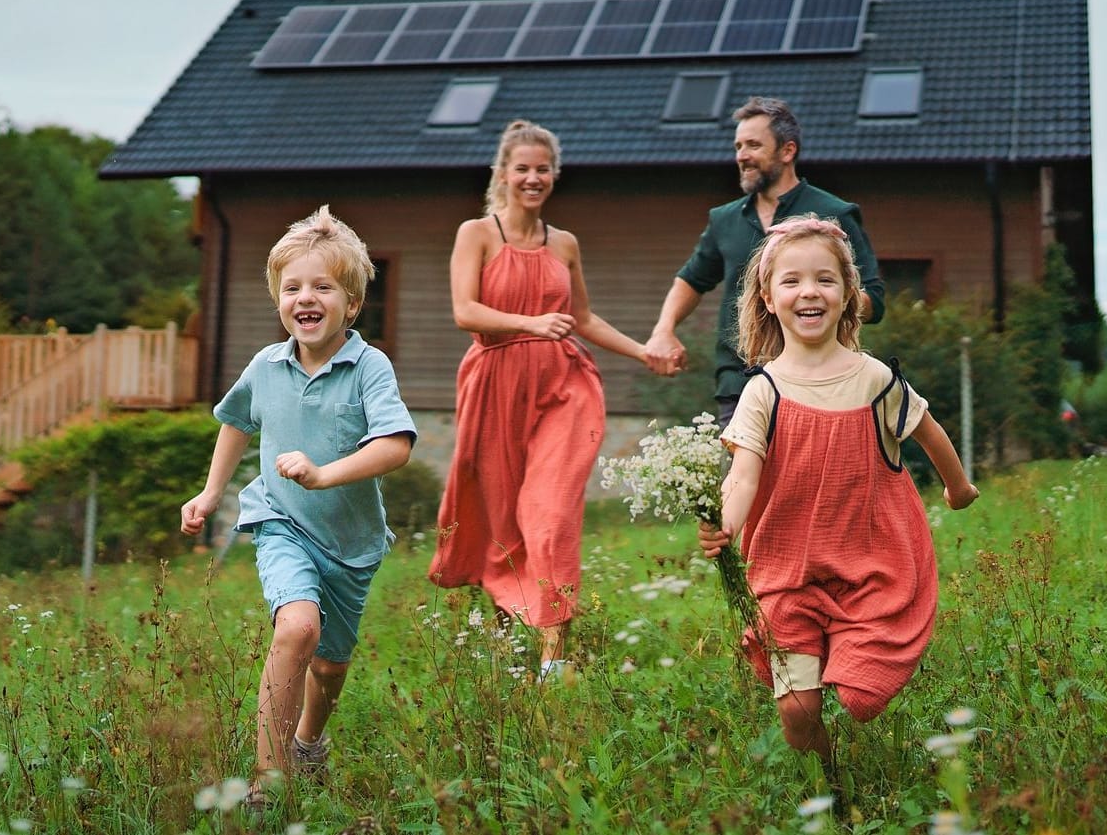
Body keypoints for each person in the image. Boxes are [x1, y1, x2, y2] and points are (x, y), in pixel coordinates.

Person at [699, 214, 979, 761]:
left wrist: (959, 487)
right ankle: (826, 788)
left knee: (861, 693)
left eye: (825, 279)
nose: (810, 291)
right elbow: (744, 474)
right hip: (786, 570)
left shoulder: (875, 379)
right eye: (792, 280)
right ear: (767, 296)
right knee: (797, 711)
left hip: (867, 565)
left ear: (849, 293)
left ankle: (853, 694)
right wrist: (726, 525)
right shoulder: (763, 391)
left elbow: (929, 431)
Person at [180, 205, 416, 803]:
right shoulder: (265, 365)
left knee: (330, 666)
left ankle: (309, 742)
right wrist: (211, 493)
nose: (304, 298)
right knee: (297, 628)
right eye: (292, 288)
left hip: (352, 543)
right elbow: (236, 423)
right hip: (281, 522)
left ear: (352, 303)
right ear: (278, 299)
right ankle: (266, 781)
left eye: (322, 287)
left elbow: (395, 445)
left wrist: (323, 474)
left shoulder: (369, 366)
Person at [429, 119, 653, 681]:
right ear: (503, 174)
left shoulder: (564, 243)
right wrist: (530, 321)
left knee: (550, 515)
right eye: (522, 168)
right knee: (500, 519)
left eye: (543, 169)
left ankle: (555, 660)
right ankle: (503, 646)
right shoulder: (476, 233)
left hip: (561, 386)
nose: (533, 178)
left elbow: (580, 319)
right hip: (494, 387)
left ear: (555, 174)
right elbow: (465, 312)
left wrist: (643, 351)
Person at [644, 96, 887, 425]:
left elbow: (874, 298)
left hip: (818, 381)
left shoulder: (836, 214)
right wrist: (663, 330)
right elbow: (690, 280)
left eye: (754, 145)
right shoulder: (724, 219)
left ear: (787, 151)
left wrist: (821, 302)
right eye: (738, 146)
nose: (742, 156)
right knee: (742, 478)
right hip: (739, 383)